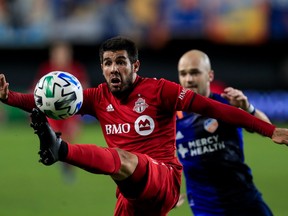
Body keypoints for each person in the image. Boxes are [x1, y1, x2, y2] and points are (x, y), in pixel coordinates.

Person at [0, 36, 288, 216]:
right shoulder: (98, 97)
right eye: (108, 63)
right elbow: (43, 100)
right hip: (130, 194)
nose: (115, 68)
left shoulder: (160, 91)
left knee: (124, 158)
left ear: (136, 66)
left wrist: (269, 129)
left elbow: (216, 108)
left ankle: (60, 150)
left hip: (163, 179)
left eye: (121, 62)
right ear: (102, 68)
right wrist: (8, 97)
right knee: (123, 163)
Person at [175, 49, 273, 215]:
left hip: (244, 200)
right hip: (205, 208)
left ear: (210, 76)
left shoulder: (226, 105)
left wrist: (247, 108)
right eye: (183, 74)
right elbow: (159, 156)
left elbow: (268, 129)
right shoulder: (173, 116)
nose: (188, 79)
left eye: (195, 73)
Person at [32, 41, 90, 182]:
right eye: (57, 53)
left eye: (64, 53)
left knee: (69, 140)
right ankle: (62, 161)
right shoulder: (47, 69)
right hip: (52, 111)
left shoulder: (76, 69)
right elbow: (37, 87)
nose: (60, 56)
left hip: (71, 112)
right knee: (56, 138)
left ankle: (67, 165)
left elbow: (85, 87)